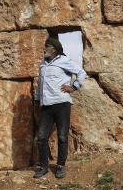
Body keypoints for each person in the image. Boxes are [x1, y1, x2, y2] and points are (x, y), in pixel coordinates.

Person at [34, 33, 87, 180]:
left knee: (63, 136)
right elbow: (40, 85)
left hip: (62, 104)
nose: (44, 48)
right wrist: (38, 100)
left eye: (47, 46)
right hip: (46, 106)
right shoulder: (43, 64)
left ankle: (60, 166)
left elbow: (81, 72)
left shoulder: (63, 61)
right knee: (42, 137)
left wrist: (73, 87)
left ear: (55, 49)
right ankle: (44, 167)